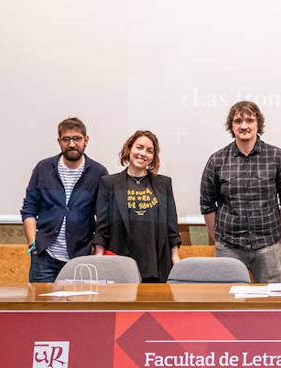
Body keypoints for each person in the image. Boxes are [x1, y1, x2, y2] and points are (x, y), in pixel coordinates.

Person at [199, 101, 281, 283]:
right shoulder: (217, 160)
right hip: (228, 246)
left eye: (249, 120)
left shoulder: (277, 157)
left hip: (268, 244)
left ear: (258, 124)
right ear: (231, 126)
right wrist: (218, 238)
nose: (244, 126)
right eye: (238, 121)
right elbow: (207, 204)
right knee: (227, 303)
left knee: (271, 302)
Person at [20, 116, 108, 283]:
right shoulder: (43, 169)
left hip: (81, 257)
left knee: (78, 308)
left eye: (77, 138)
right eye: (66, 139)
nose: (72, 144)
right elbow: (29, 209)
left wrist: (97, 255)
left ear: (86, 140)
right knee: (41, 307)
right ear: (59, 141)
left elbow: (104, 218)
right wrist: (33, 244)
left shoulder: (98, 172)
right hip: (45, 257)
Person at [92, 130, 181, 282]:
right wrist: (98, 259)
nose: (143, 153)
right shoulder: (109, 183)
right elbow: (102, 227)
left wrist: (175, 256)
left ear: (153, 157)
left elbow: (171, 226)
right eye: (139, 147)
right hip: (120, 263)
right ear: (129, 148)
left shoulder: (164, 184)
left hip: (157, 263)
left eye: (149, 151)